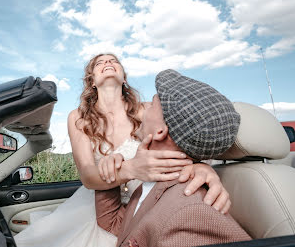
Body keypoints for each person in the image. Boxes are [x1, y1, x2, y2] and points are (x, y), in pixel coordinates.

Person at [14, 54, 229, 247]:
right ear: (92, 81)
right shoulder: (77, 117)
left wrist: (202, 167)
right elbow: (88, 175)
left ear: (124, 77)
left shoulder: (149, 109)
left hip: (148, 201)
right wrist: (130, 169)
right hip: (100, 203)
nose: (108, 62)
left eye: (113, 60)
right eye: (100, 63)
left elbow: (184, 142)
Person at [95, 69, 251, 247]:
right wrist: (113, 171)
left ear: (160, 131)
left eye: (152, 105)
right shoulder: (154, 184)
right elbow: (119, 227)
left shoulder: (192, 214)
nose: (144, 109)